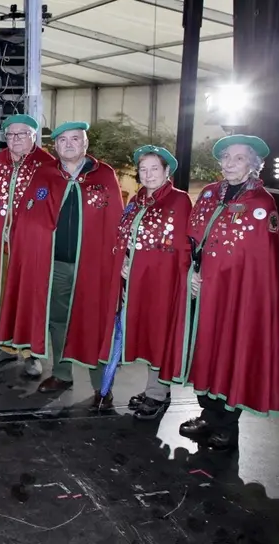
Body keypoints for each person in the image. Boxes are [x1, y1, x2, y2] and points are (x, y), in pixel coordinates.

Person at [0, 121, 123, 406]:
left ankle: (102, 385)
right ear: (55, 146)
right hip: (55, 265)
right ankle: (62, 374)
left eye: (75, 139)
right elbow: (28, 215)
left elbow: (117, 222)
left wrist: (121, 259)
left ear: (85, 143)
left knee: (95, 321)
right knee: (57, 320)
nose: (69, 144)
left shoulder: (104, 175)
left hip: (94, 266)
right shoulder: (46, 174)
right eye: (63, 140)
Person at [178, 135, 279, 450]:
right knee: (204, 348)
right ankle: (207, 414)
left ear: (252, 164)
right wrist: (192, 273)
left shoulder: (262, 204)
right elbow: (194, 239)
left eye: (239, 158)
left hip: (238, 296)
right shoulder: (210, 194)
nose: (230, 164)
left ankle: (226, 423)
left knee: (231, 349)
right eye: (226, 157)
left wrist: (233, 287)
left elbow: (259, 261)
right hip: (203, 289)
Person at [103, 145, 193, 421]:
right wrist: (125, 263)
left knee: (159, 334)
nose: (149, 174)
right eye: (143, 169)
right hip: (133, 282)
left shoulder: (179, 201)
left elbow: (177, 248)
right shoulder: (137, 201)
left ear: (167, 171)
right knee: (141, 332)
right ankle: (151, 389)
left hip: (162, 284)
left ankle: (158, 393)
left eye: (155, 168)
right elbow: (125, 238)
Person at [0, 114, 55, 379]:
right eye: (10, 135)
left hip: (32, 246)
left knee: (30, 296)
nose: (15, 139)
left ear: (34, 136)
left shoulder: (47, 165)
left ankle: (32, 353)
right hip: (1, 243)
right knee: (3, 294)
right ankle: (6, 346)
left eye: (22, 134)